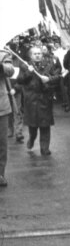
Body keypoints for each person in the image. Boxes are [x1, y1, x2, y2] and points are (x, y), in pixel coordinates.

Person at [18, 45, 61, 156]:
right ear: (31, 55)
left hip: (45, 99)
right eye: (35, 54)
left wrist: (48, 79)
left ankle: (44, 148)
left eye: (39, 53)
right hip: (31, 100)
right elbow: (20, 80)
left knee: (45, 125)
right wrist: (28, 72)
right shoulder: (24, 66)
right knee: (33, 126)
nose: (37, 55)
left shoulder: (49, 64)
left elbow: (57, 77)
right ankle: (31, 139)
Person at [0, 50, 15, 186]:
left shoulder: (2, 54)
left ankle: (0, 174)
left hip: (1, 108)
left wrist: (1, 66)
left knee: (1, 144)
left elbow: (11, 71)